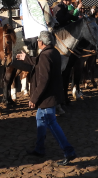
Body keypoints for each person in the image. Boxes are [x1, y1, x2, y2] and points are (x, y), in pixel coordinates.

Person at [18, 30, 77, 165]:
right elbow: (40, 63)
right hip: (53, 94)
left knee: (52, 123)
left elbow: (43, 80)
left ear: (41, 42)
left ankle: (69, 151)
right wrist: (26, 58)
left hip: (46, 97)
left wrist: (34, 98)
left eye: (38, 40)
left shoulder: (45, 55)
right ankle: (39, 148)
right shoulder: (53, 52)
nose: (37, 41)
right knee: (40, 119)